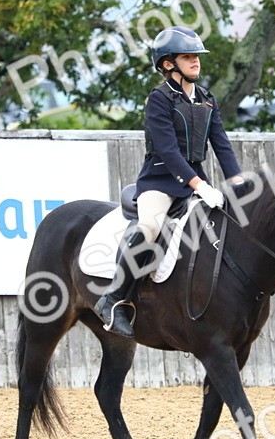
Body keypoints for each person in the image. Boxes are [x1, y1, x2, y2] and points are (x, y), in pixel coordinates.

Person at [93, 26, 245, 338]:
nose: (196, 62)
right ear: (168, 64)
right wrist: (198, 185)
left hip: (196, 182)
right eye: (188, 57)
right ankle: (113, 300)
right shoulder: (158, 100)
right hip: (160, 182)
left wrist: (238, 181)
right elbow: (168, 150)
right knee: (149, 227)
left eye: (197, 57)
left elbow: (222, 144)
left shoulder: (206, 99)